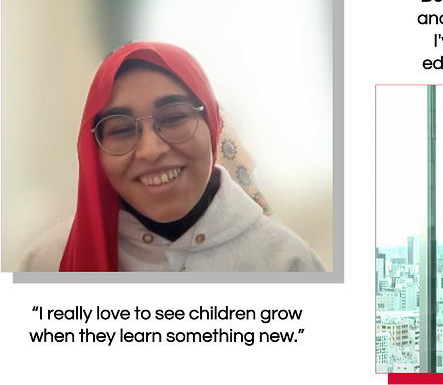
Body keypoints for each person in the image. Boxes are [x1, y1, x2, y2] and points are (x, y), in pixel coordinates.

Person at [20, 42, 325, 272]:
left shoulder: (286, 262)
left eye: (175, 117)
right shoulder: (47, 262)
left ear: (212, 127)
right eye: (121, 129)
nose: (151, 150)